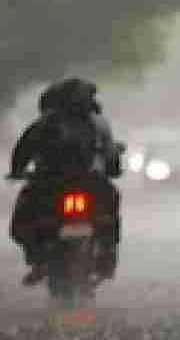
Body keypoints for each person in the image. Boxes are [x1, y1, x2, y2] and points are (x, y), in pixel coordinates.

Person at [9, 78, 122, 286]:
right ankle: (106, 254)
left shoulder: (43, 123)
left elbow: (22, 150)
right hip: (90, 183)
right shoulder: (98, 122)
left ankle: (38, 257)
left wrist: (17, 172)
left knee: (27, 212)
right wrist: (113, 170)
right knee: (110, 203)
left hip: (52, 184)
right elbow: (111, 155)